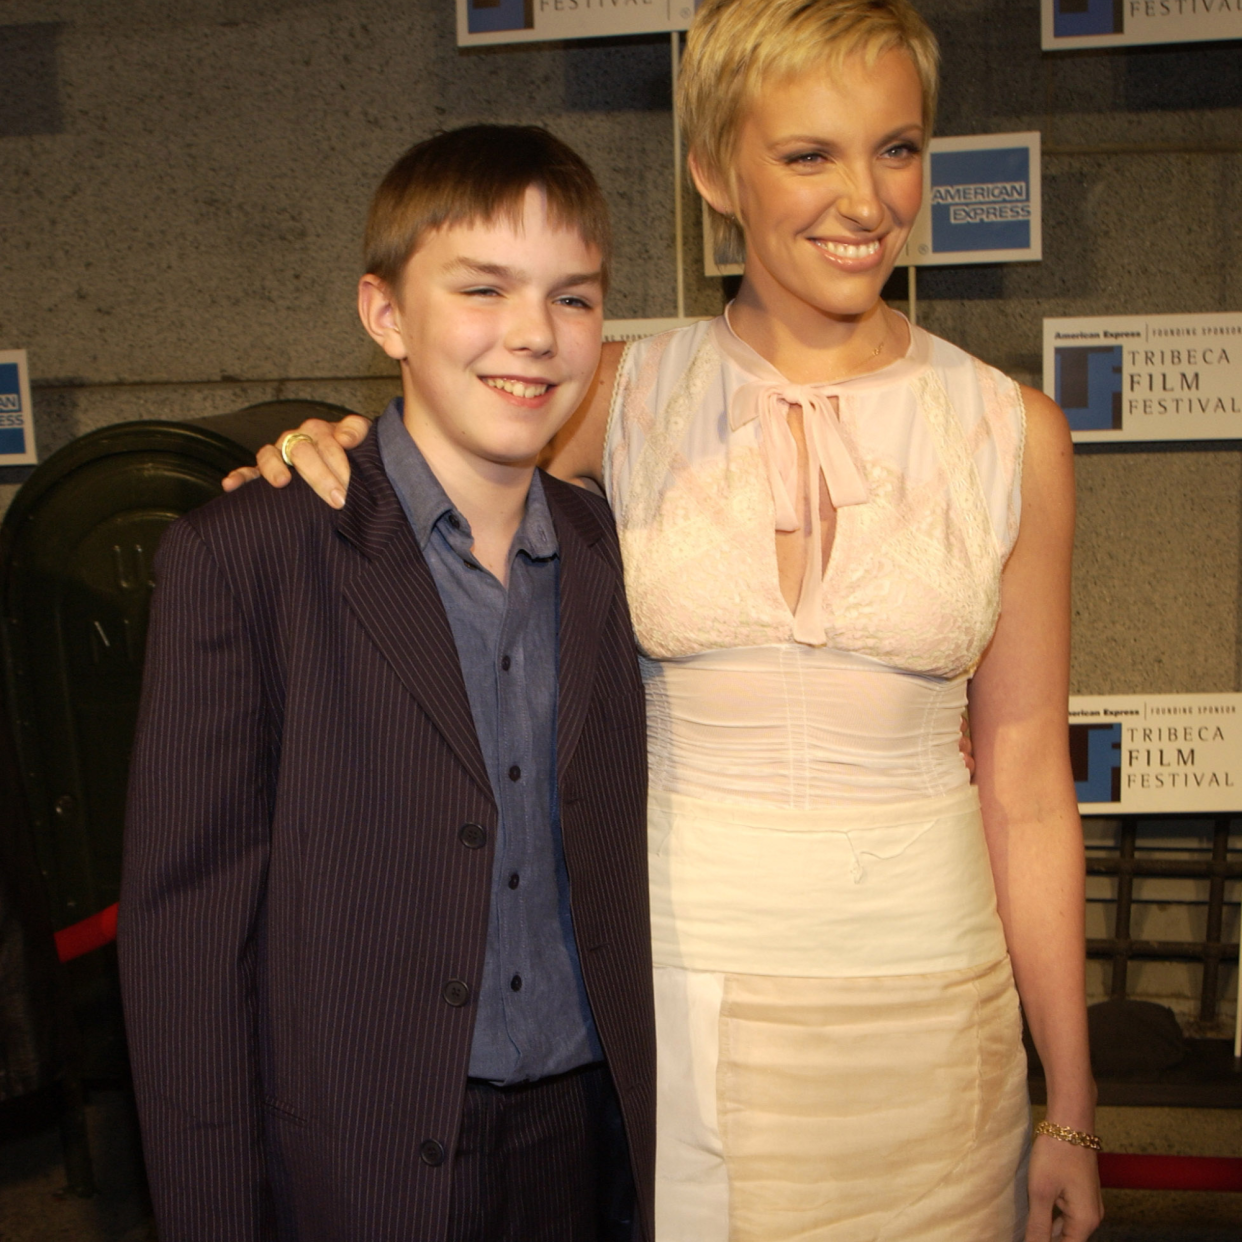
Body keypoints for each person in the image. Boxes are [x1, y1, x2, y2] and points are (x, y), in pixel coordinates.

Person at [227, 1, 1104, 1238]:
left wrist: (1069, 1101)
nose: (865, 199)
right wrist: (315, 447)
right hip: (675, 1003)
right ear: (713, 173)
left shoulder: (1017, 433)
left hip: (936, 1015)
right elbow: (433, 456)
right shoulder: (616, 394)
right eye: (810, 154)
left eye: (898, 148)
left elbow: (1025, 784)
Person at [119, 125, 656, 1242]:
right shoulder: (252, 552)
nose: (532, 335)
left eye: (574, 298)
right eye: (482, 289)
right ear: (385, 313)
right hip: (359, 1154)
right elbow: (186, 950)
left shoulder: (606, 548)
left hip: (590, 1140)